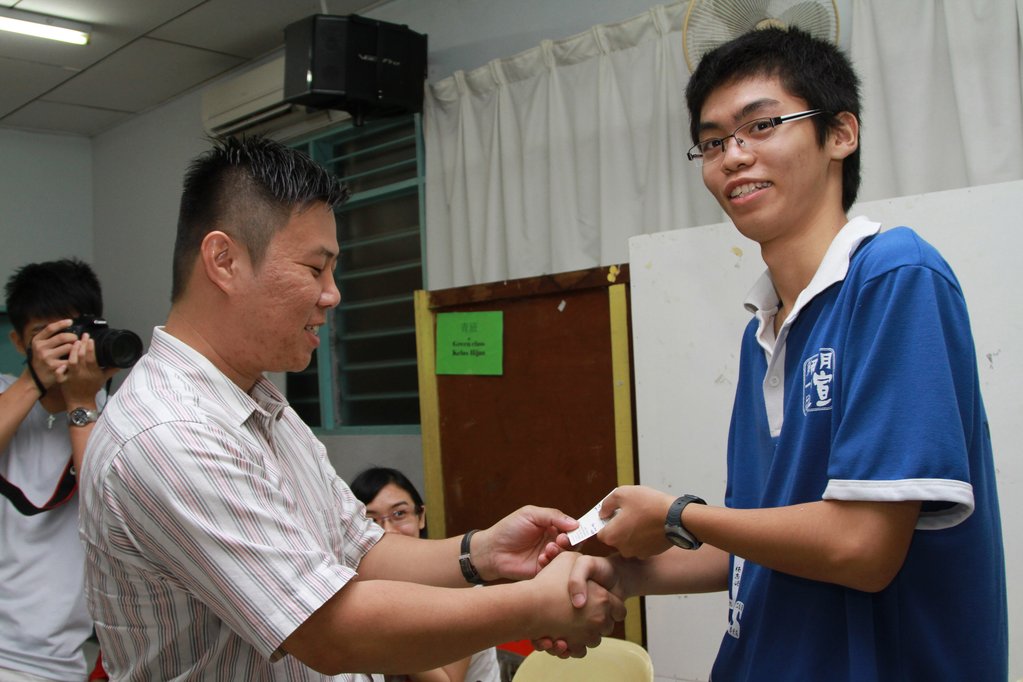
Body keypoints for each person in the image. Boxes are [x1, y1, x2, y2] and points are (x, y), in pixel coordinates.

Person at [543, 28, 1007, 680]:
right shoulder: (762, 330)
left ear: (839, 134)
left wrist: (676, 516)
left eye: (761, 126)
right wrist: (624, 575)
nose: (733, 156)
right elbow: (757, 539)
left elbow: (861, 548)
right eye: (712, 142)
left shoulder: (893, 275)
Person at [77, 135, 625, 681]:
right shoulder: (171, 432)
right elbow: (329, 632)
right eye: (315, 269)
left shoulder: (261, 407)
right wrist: (534, 605)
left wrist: (481, 553)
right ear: (225, 261)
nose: (333, 294)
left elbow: (361, 551)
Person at [1, 259, 118, 681]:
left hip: (57, 662)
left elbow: (108, 514)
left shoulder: (114, 417)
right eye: (44, 336)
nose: (60, 348)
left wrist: (82, 402)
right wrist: (33, 380)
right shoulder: (5, 393)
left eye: (69, 332)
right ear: (18, 342)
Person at [351, 467, 501, 682]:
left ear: (421, 516)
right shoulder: (353, 587)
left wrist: (379, 623)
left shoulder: (459, 585)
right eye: (370, 521)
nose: (388, 530)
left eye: (399, 514)